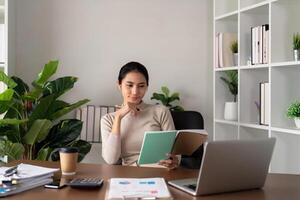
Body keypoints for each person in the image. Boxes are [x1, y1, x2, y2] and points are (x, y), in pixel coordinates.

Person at [101, 61, 179, 169]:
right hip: (129, 176)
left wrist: (174, 161)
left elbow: (174, 152)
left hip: (159, 174)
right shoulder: (109, 119)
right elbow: (111, 159)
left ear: (147, 87)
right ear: (119, 85)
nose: (135, 92)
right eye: (129, 85)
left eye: (141, 86)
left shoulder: (161, 111)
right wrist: (119, 117)